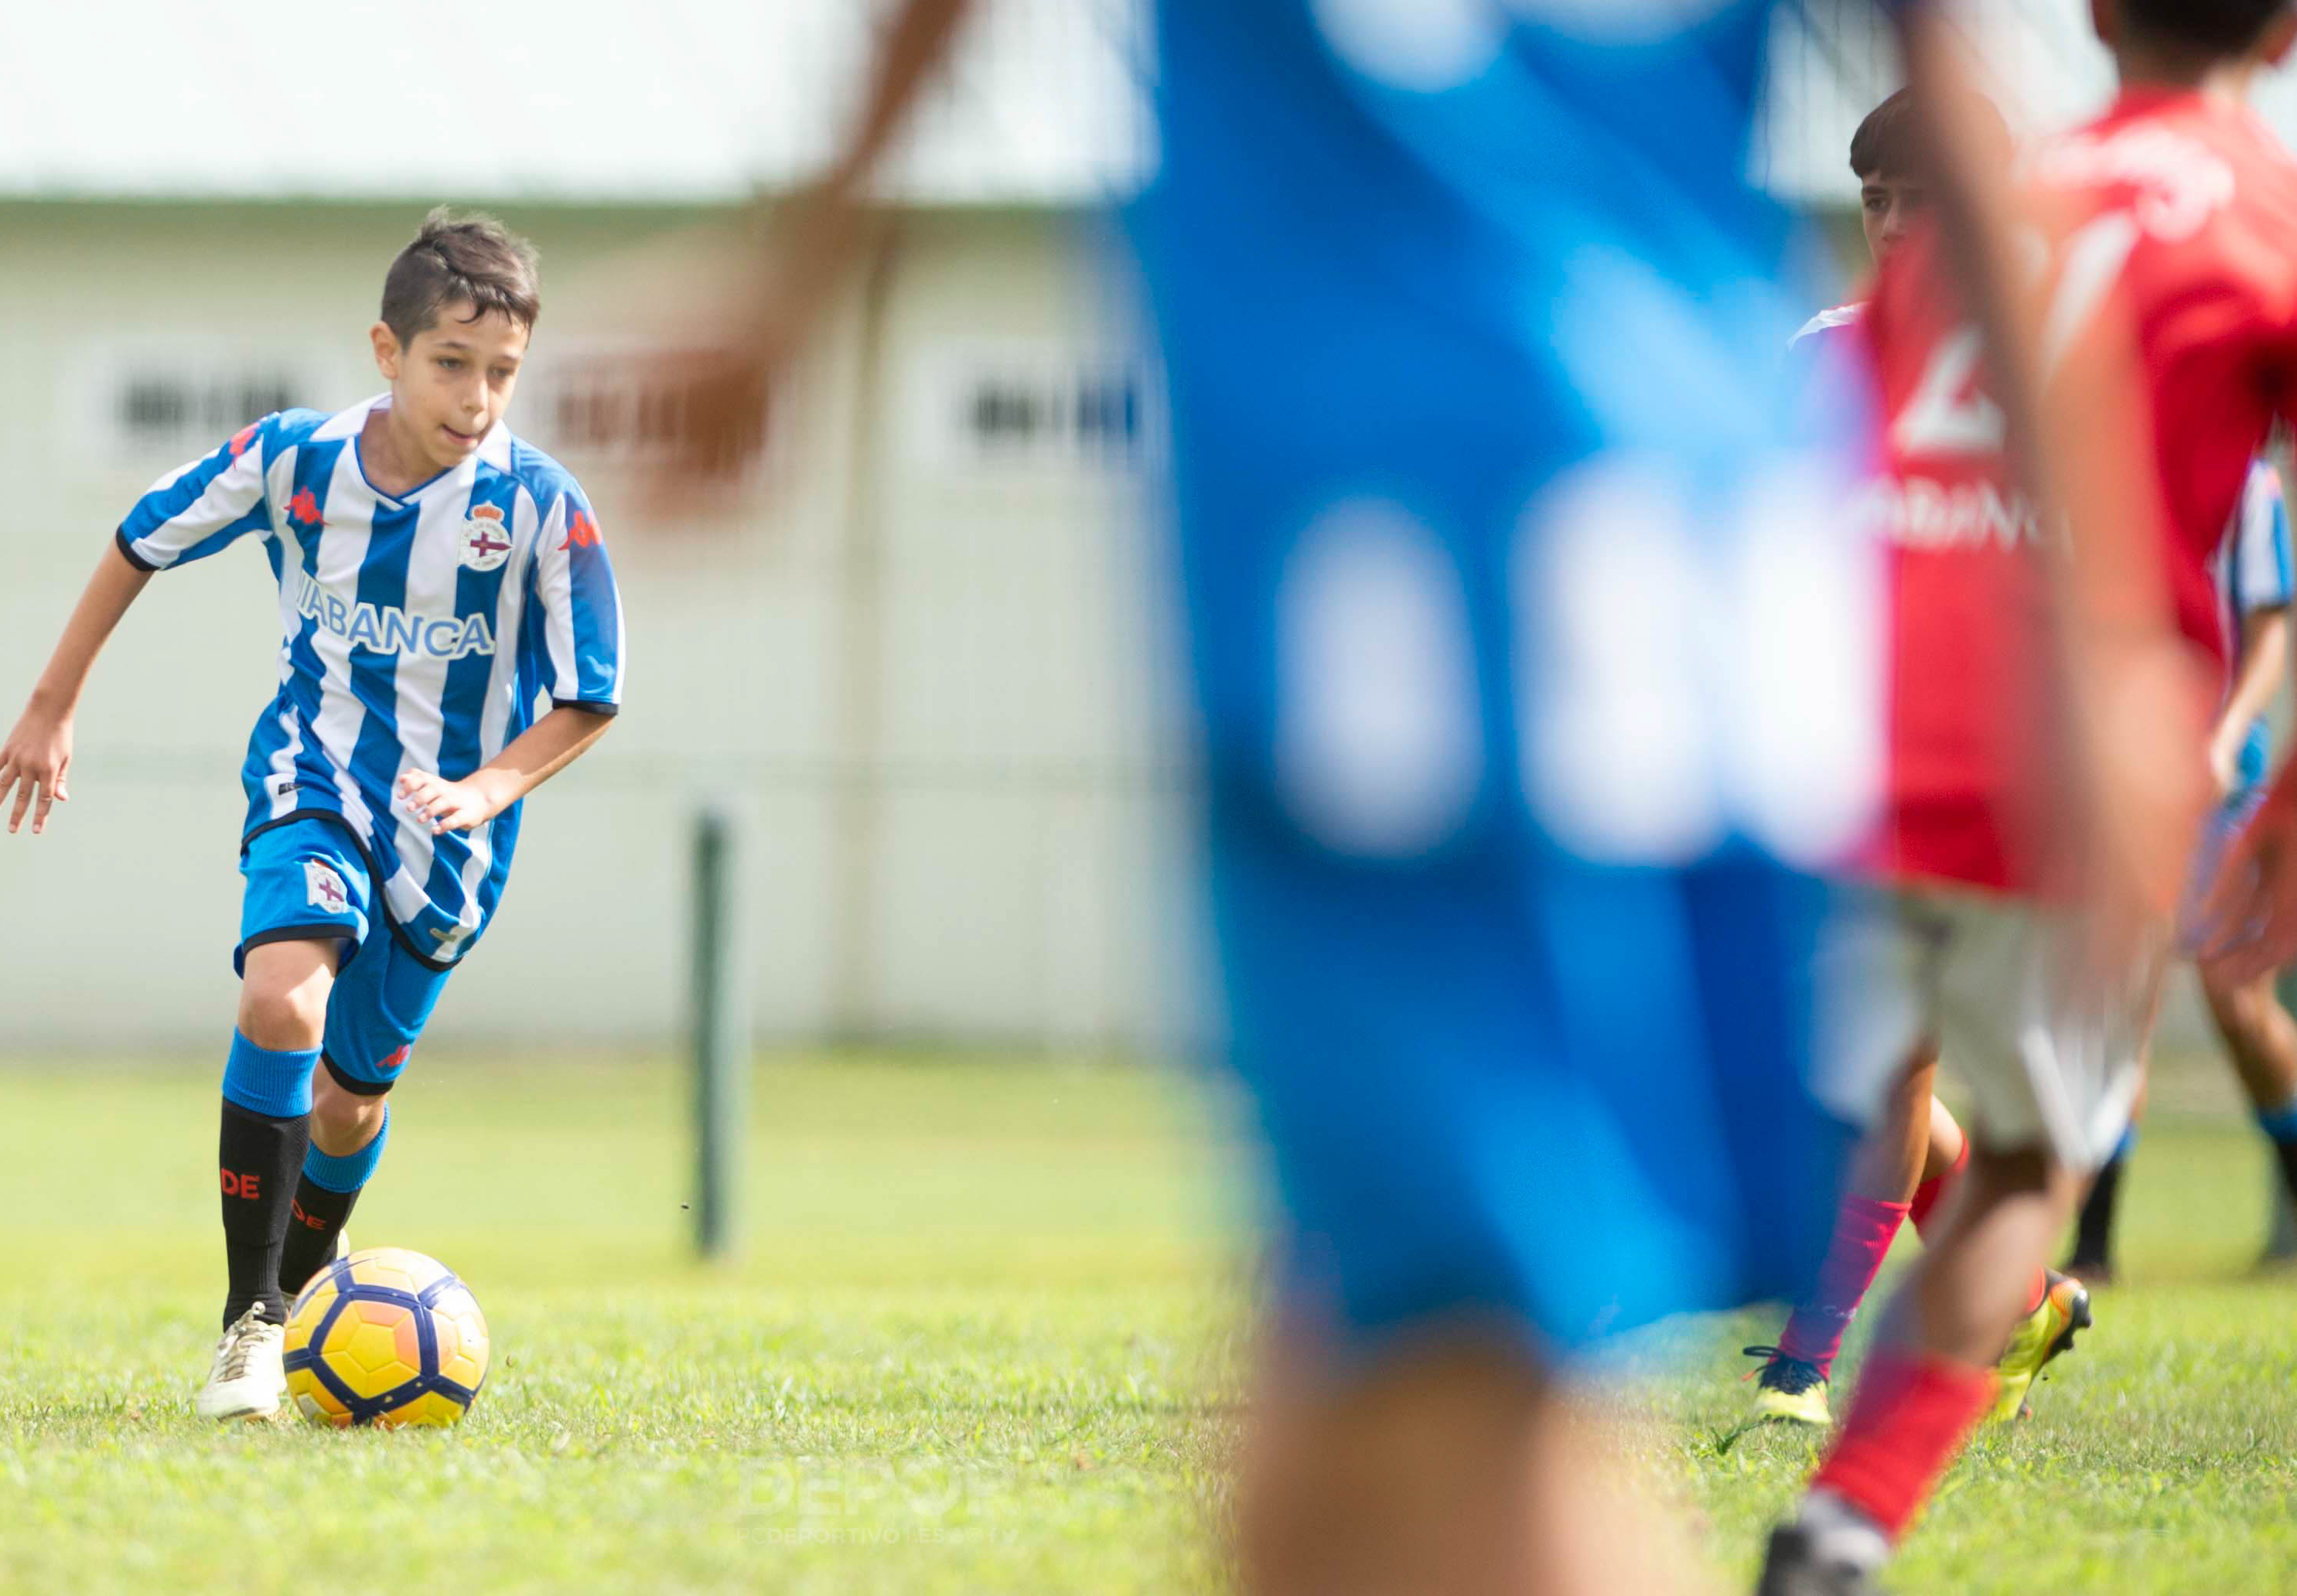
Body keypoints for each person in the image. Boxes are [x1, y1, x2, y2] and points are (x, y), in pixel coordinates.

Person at [643, 4, 2044, 1591]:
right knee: (1326, 1440)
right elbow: (1950, 75)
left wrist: (792, 284)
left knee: (1480, 1401)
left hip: (1428, 587)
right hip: (1669, 547)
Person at [1762, 4, 2297, 1591]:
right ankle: (1843, 1511)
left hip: (1866, 729)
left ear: (2085, 18)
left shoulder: (2003, 206)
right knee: (2008, 1161)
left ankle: (1799, 1358)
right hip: (2062, 748)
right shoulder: (2253, 209)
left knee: (1869, 1082)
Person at [0, 210, 624, 1422]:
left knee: (351, 1099)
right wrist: (50, 705)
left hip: (456, 839)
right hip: (311, 779)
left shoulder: (543, 507)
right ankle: (250, 1325)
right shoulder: (294, 459)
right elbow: (136, 542)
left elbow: (593, 695)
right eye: (450, 363)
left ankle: (308, 1279)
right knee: (281, 998)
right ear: (387, 350)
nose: (477, 396)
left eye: (502, 373)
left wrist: (486, 788)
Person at [1741, 88, 1995, 1437]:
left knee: (1888, 1052)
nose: (1893, 223)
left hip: (1973, 765)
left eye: (1919, 196)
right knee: (1834, 1052)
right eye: (1873, 199)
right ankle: (2018, 1301)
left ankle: (1803, 1360)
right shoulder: (1818, 352)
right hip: (1825, 755)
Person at [2070, 456, 2297, 1280]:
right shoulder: (2116, 448)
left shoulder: (2249, 480)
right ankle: (2094, 1249)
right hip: (2134, 772)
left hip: (2224, 777)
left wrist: (2229, 734)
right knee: (2123, 993)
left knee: (2236, 1002)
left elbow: (2269, 631)